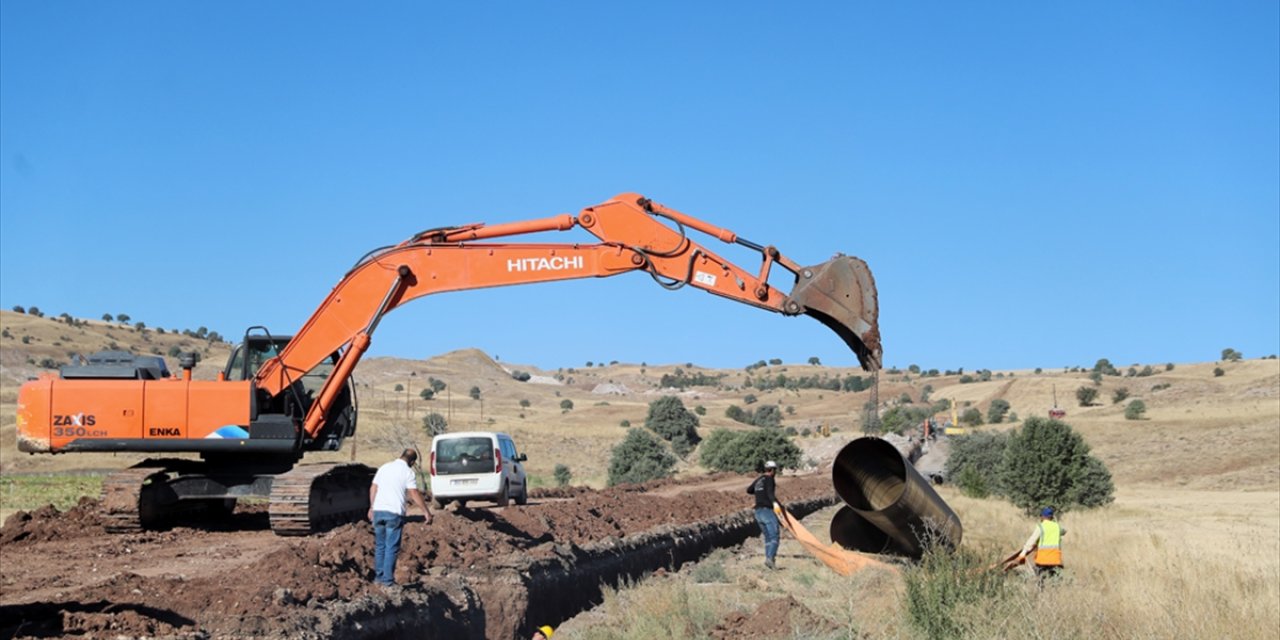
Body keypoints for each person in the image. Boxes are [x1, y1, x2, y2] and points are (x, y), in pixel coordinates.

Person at [368, 448, 432, 587]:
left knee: (380, 546)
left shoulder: (384, 467)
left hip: (378, 511)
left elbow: (373, 488)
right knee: (391, 547)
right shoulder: (408, 472)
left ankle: (378, 578)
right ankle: (387, 581)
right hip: (394, 513)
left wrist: (372, 507)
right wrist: (426, 511)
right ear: (412, 462)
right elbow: (413, 493)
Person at [1018, 506, 1065, 585]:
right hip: (1055, 560)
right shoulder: (1057, 527)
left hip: (1043, 559)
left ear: (1043, 516)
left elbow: (1032, 540)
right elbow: (1064, 531)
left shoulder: (1041, 526)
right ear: (1051, 517)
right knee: (1054, 582)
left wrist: (1023, 552)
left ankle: (1040, 591)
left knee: (1040, 581)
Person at [747, 460, 781, 569]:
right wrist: (775, 503)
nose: (775, 472)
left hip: (758, 513)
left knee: (767, 538)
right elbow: (770, 493)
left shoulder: (760, 479)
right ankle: (770, 559)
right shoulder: (769, 479)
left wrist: (759, 493)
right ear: (772, 470)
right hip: (767, 511)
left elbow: (749, 490)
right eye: (775, 470)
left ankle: (768, 560)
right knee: (774, 536)